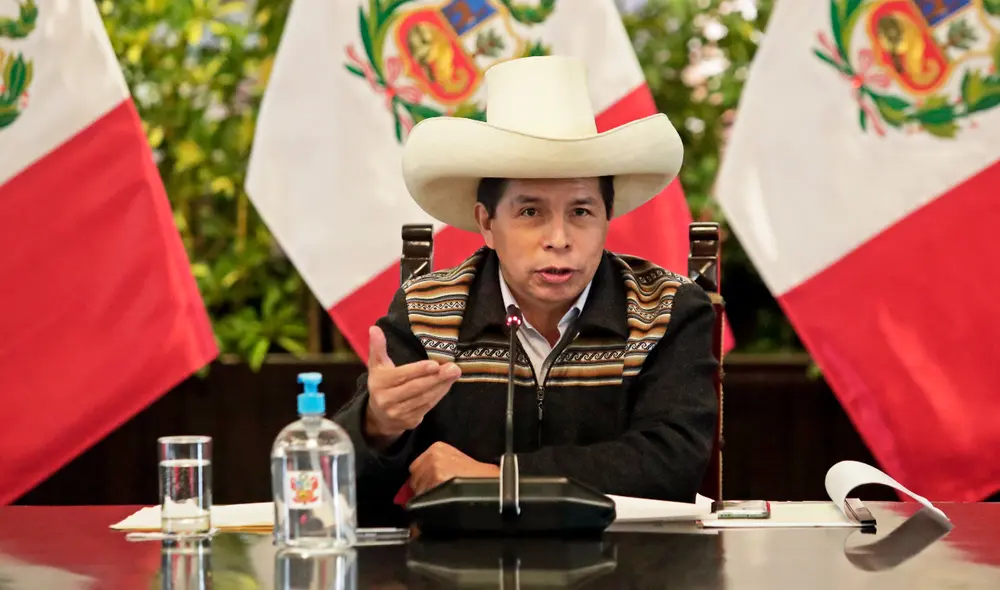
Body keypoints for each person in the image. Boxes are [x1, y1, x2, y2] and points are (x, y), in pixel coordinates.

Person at [334, 55, 719, 527]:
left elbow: (671, 464)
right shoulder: (426, 311)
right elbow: (341, 483)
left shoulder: (667, 309)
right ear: (486, 223)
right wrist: (379, 425)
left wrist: (498, 478)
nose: (558, 238)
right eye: (531, 212)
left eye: (581, 212)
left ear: (606, 218)